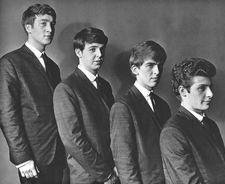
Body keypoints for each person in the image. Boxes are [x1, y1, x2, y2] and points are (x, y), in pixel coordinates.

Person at [0, 3, 66, 184]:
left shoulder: (53, 66)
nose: (50, 29)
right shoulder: (10, 62)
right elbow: (7, 114)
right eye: (43, 23)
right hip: (33, 158)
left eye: (52, 24)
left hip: (59, 154)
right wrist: (22, 158)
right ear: (28, 28)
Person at [53, 27, 119, 184]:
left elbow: (113, 129)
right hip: (87, 176)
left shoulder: (105, 85)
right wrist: (105, 175)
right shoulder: (66, 89)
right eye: (93, 49)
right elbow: (73, 140)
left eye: (102, 49)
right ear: (78, 52)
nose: (100, 55)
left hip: (112, 170)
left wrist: (116, 165)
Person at [160, 58, 225, 184]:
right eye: (202, 88)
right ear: (183, 91)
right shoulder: (173, 132)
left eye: (210, 87)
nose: (210, 93)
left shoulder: (210, 125)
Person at [110, 40, 171, 184]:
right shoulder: (123, 107)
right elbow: (124, 161)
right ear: (135, 69)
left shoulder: (163, 105)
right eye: (150, 65)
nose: (157, 71)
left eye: (159, 65)